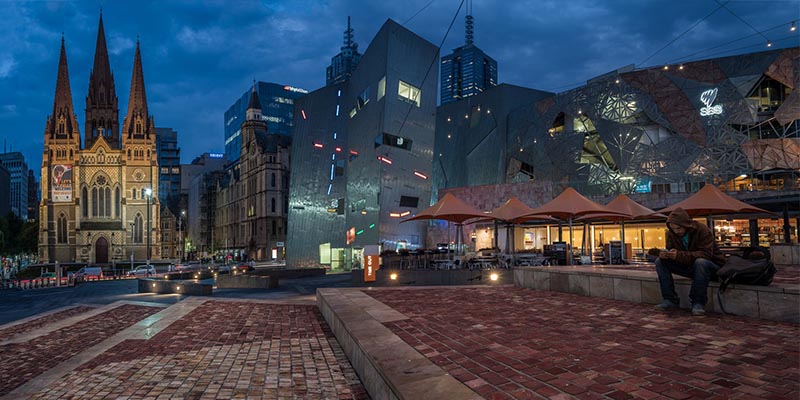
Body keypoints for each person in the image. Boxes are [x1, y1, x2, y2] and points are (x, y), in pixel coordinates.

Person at [654, 207, 726, 316]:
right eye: (673, 229)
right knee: (660, 262)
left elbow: (706, 254)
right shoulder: (671, 234)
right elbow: (673, 251)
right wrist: (666, 255)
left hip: (711, 266)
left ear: (685, 225)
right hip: (689, 265)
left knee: (700, 262)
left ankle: (698, 302)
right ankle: (670, 299)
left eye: (679, 228)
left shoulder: (702, 230)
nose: (676, 231)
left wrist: (679, 255)